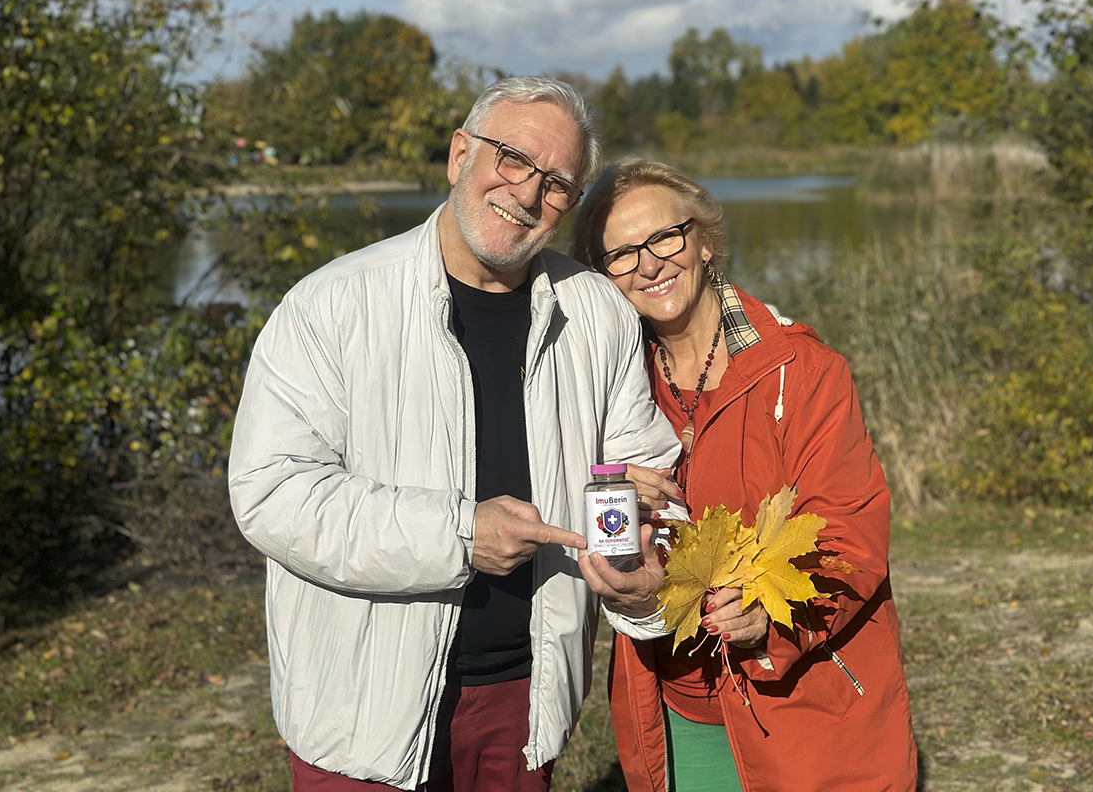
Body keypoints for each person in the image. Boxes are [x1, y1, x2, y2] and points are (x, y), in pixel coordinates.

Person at [228, 78, 682, 792]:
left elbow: (647, 474)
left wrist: (643, 576)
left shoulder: (597, 314)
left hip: (524, 699)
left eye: (558, 183)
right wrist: (459, 534)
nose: (528, 194)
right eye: (512, 159)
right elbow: (271, 494)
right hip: (361, 708)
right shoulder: (331, 305)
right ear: (459, 155)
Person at [571, 159, 918, 792]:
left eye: (664, 238)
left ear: (702, 240)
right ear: (602, 279)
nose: (649, 264)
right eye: (621, 254)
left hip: (797, 706)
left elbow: (850, 537)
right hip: (674, 703)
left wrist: (771, 618)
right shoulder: (608, 392)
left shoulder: (801, 372)